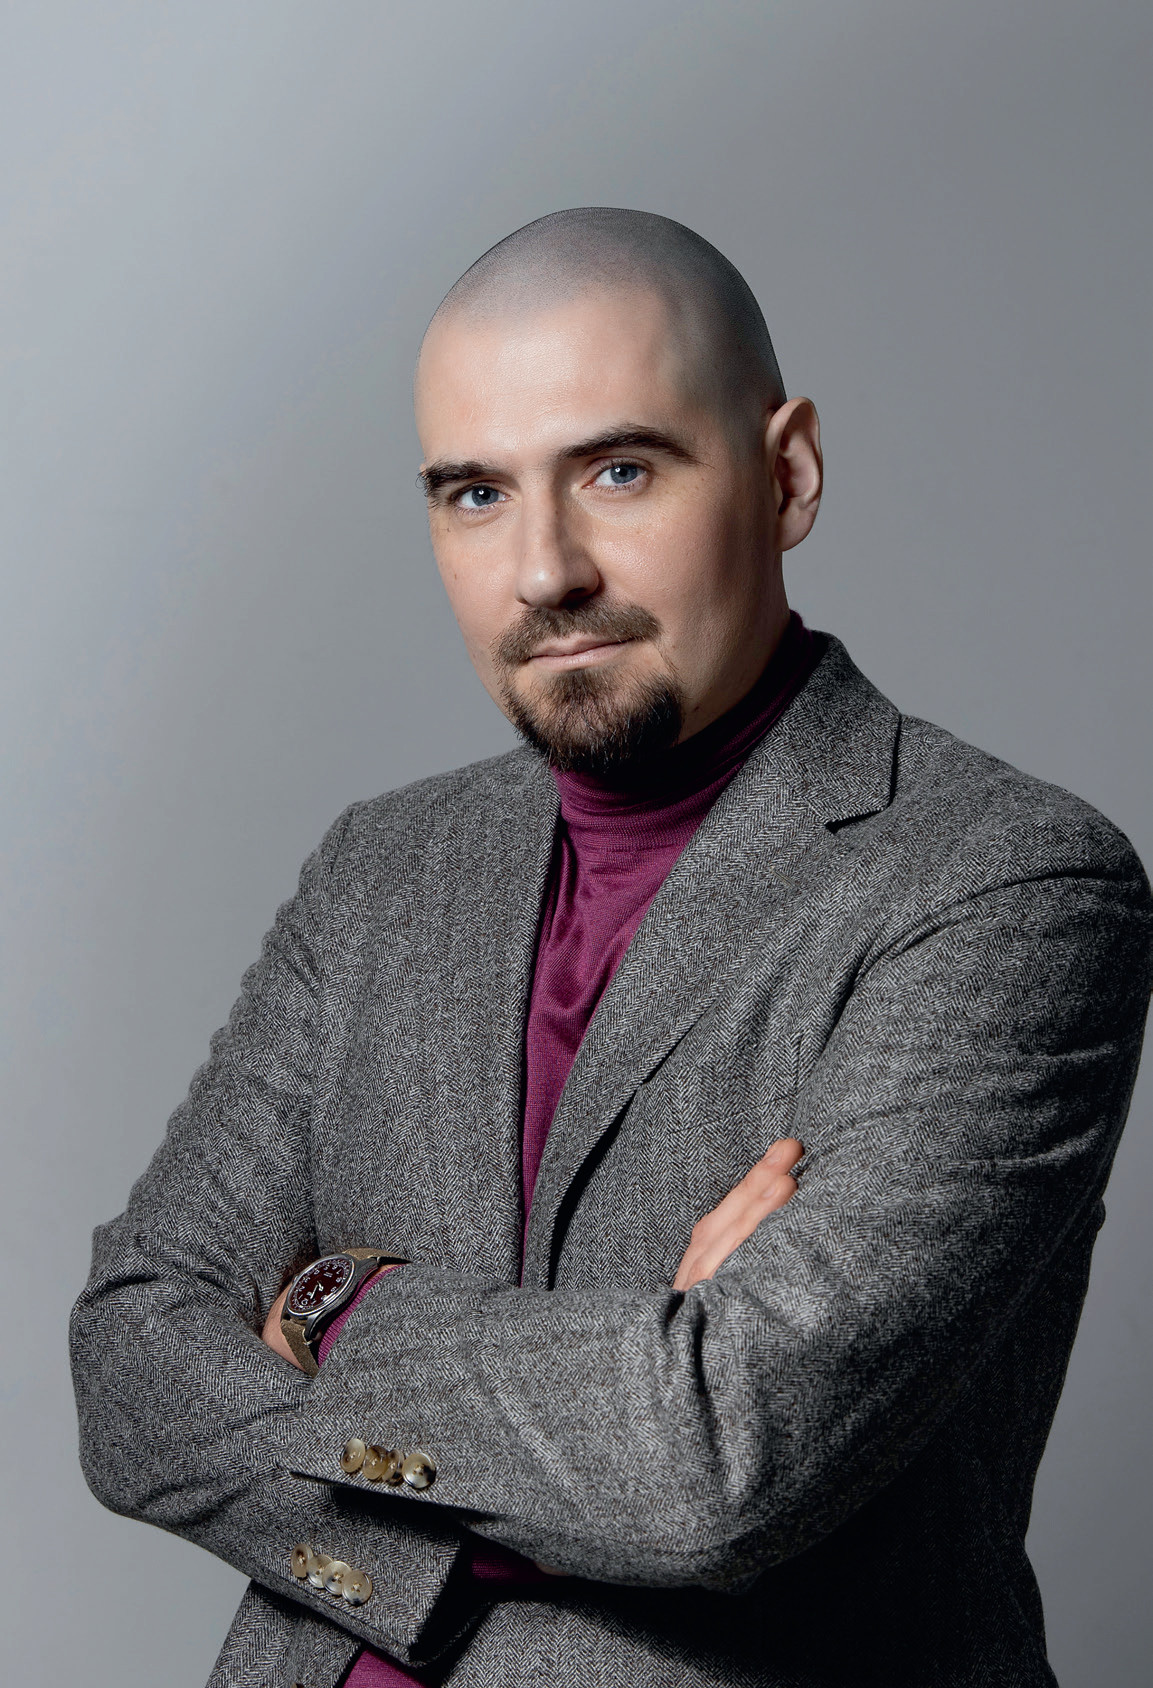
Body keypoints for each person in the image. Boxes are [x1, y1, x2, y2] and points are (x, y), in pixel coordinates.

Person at [71, 208, 1152, 1688]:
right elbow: (131, 1363)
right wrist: (609, 1394)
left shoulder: (1005, 884)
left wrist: (334, 1305)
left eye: (619, 471)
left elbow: (717, 1461)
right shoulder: (382, 869)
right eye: (474, 494)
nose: (543, 571)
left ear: (787, 475)